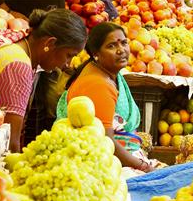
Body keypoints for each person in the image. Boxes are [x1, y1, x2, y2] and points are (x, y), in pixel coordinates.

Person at [0, 8, 87, 153]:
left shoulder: (13, 39)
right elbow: (10, 141)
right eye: (69, 55)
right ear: (50, 44)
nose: (68, 64)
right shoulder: (19, 66)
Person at [57, 22, 164, 174]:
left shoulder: (104, 72)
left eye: (124, 43)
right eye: (112, 46)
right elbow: (106, 142)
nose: (121, 50)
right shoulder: (98, 84)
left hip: (116, 157)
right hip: (101, 164)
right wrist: (143, 167)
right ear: (96, 54)